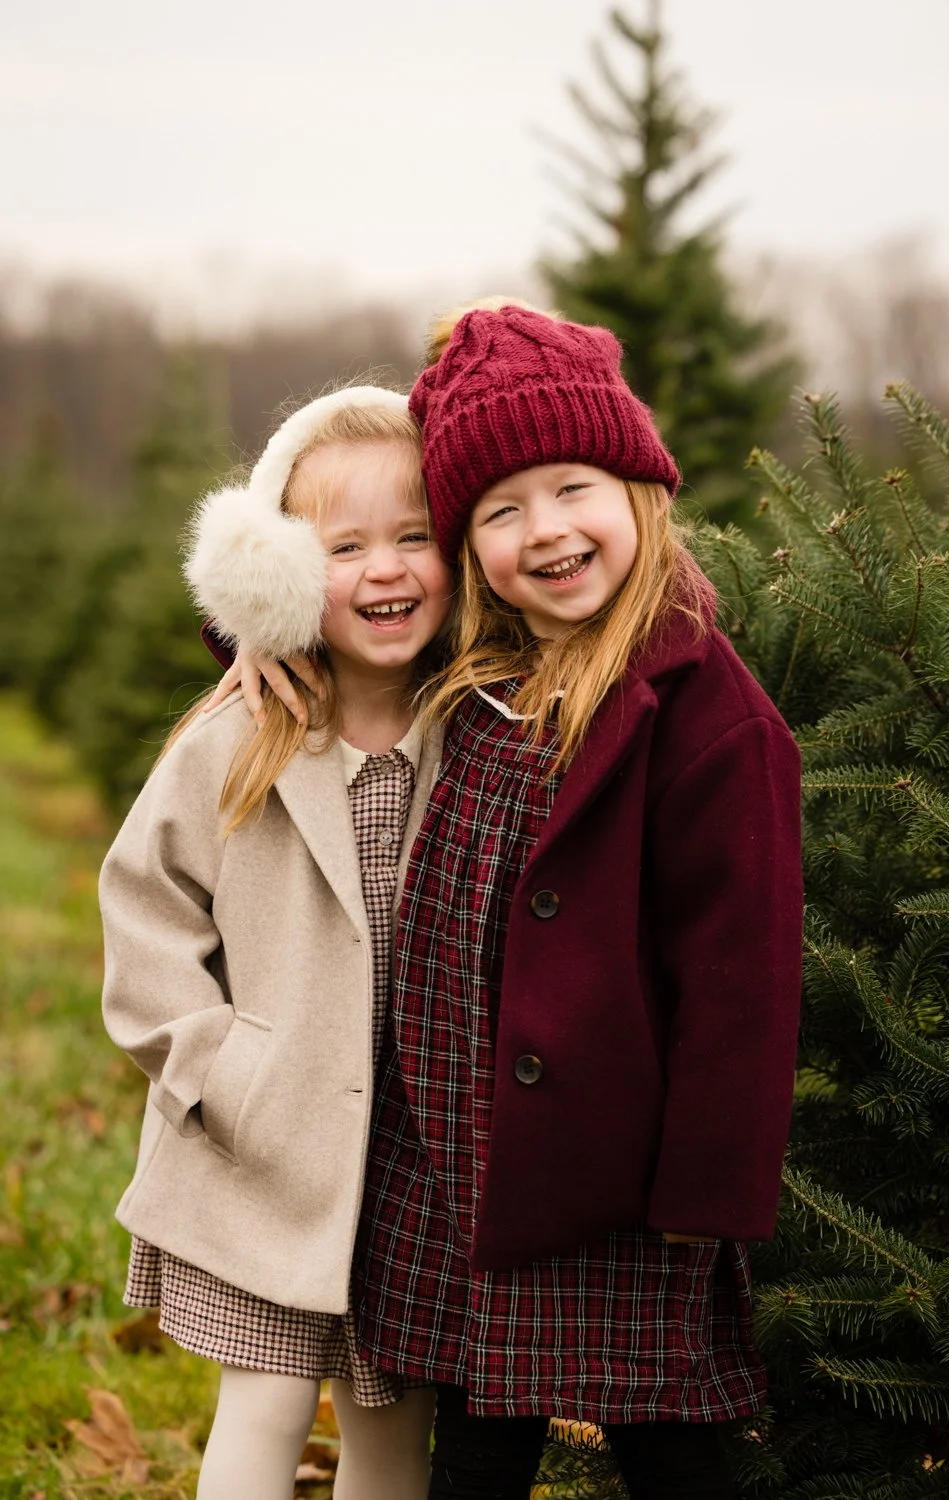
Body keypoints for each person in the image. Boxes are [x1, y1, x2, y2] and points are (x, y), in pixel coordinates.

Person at [207, 302, 804, 1500]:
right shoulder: (479, 667)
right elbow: (351, 609)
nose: (545, 533)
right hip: (457, 1164)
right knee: (476, 1445)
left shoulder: (705, 715)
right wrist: (243, 634)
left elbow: (741, 978)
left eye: (572, 487)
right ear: (466, 541)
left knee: (665, 1439)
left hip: (617, 1184)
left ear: (638, 485)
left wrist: (706, 1191)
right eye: (497, 510)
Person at [99, 386, 451, 1500]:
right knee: (264, 1407)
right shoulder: (241, 734)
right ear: (288, 573)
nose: (385, 571)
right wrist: (221, 1072)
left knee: (392, 1422)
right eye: (345, 547)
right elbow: (144, 908)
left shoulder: (482, 726)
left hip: (418, 1156)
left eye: (415, 538)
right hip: (268, 1142)